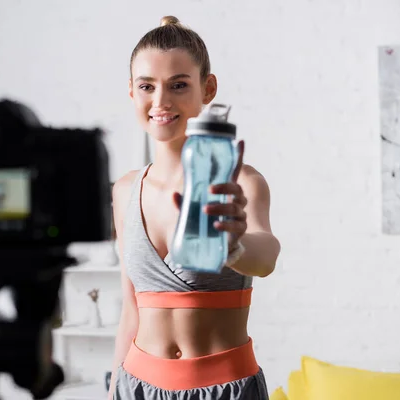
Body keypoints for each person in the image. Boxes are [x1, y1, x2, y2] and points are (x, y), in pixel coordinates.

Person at [107, 15, 281, 400]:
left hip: (224, 389)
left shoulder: (240, 181)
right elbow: (130, 312)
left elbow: (266, 256)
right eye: (147, 86)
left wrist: (233, 245)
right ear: (132, 93)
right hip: (136, 386)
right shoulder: (124, 190)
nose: (161, 101)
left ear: (208, 88)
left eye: (179, 85)